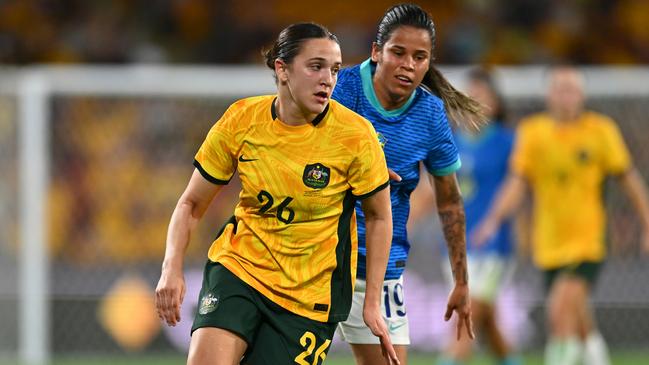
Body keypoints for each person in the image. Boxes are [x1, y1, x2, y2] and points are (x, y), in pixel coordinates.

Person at [155, 22, 401, 365]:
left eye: (334, 69)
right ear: (282, 69)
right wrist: (171, 268)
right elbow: (191, 203)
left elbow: (378, 215)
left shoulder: (355, 136)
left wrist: (371, 302)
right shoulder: (242, 120)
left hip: (309, 297)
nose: (327, 79)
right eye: (315, 67)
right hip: (239, 270)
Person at [332, 4, 480, 364]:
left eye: (420, 57)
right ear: (376, 51)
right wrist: (361, 174)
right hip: (318, 259)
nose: (408, 65)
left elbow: (449, 201)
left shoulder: (430, 114)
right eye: (398, 53)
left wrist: (461, 281)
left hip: (378, 272)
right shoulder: (340, 91)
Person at [474, 65, 649, 365]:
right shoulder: (533, 133)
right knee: (579, 319)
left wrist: (647, 223)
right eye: (559, 89)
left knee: (559, 312)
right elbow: (518, 182)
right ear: (549, 95)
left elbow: (628, 179)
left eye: (571, 89)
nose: (566, 96)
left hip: (589, 240)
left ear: (581, 95)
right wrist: (493, 219)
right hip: (549, 242)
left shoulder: (600, 130)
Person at [437, 68, 520, 365]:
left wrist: (493, 222)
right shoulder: (451, 142)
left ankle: (450, 360)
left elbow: (518, 185)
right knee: (486, 320)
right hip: (455, 243)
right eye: (469, 96)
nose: (474, 101)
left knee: (468, 310)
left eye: (481, 96)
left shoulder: (508, 142)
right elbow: (432, 188)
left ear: (495, 103)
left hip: (493, 244)